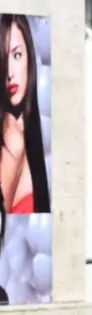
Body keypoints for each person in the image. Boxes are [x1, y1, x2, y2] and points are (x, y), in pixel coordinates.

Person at [0, 15, 50, 216]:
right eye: (3, 59)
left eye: (17, 55)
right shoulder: (11, 135)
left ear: (30, 56)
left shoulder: (29, 133)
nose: (10, 72)